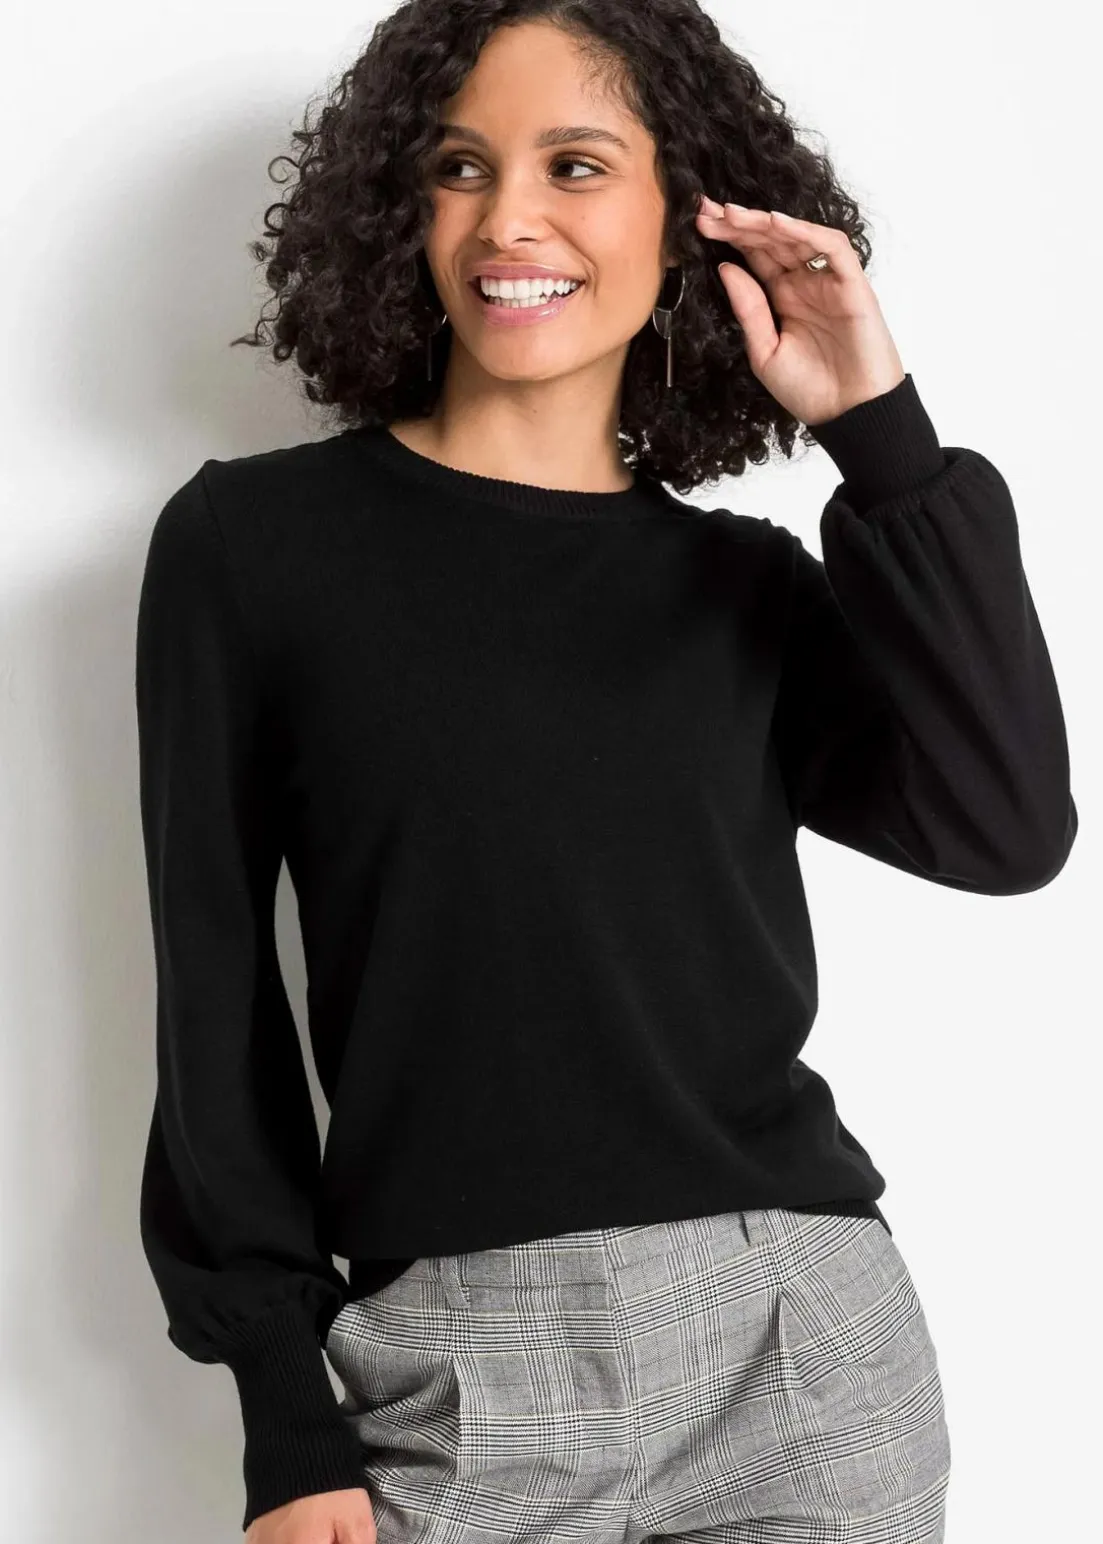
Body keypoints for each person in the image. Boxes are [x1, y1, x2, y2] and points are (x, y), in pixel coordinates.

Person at [134, 2, 1077, 1541]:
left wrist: (880, 436)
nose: (508, 218)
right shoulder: (254, 547)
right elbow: (212, 987)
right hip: (462, 1358)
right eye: (458, 167)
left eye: (575, 164)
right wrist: (283, 1413)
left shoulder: (745, 586)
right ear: (399, 207)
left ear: (683, 212)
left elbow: (1004, 827)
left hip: (798, 1336)